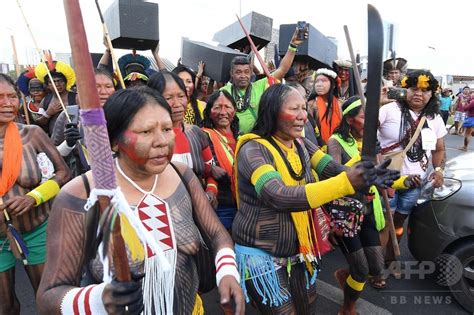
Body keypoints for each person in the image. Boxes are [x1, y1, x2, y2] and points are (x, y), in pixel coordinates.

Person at [37, 87, 244, 314]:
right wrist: (99, 299)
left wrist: (226, 271)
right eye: (146, 132)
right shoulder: (81, 194)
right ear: (114, 142)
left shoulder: (182, 174)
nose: (161, 141)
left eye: (167, 129)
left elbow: (217, 233)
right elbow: (49, 296)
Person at [232, 84, 399, 314]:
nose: (303, 116)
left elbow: (331, 168)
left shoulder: (301, 143)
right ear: (271, 112)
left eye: (304, 108)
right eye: (294, 109)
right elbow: (276, 195)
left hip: (300, 250)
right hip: (262, 255)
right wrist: (348, 182)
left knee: (307, 307)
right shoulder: (253, 150)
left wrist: (369, 175)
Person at [327, 96, 420, 314]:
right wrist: (363, 157)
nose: (370, 122)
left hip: (369, 209)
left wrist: (404, 181)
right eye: (363, 117)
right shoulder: (335, 142)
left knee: (376, 268)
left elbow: (381, 175)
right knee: (360, 270)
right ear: (349, 120)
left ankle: (344, 275)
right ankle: (347, 308)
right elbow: (334, 172)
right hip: (346, 212)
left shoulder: (373, 142)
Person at [0, 74, 71, 315]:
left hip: (37, 229)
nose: (7, 103)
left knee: (48, 301)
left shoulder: (32, 134)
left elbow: (63, 173)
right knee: (5, 306)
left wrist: (33, 197)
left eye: (12, 97)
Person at [378, 70, 446, 265]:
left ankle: (390, 260)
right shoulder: (389, 109)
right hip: (386, 179)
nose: (418, 93)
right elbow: (364, 129)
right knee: (384, 223)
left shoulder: (435, 118)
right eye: (414, 88)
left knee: (398, 223)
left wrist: (439, 170)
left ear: (432, 94)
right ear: (405, 89)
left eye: (425, 90)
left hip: (414, 183)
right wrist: (377, 103)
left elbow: (439, 149)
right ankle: (375, 268)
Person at [221, 27, 308, 134]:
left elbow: (282, 69)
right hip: (234, 141)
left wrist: (293, 45)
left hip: (258, 139)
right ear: (232, 74)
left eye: (246, 72)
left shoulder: (260, 86)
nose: (243, 75)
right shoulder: (224, 92)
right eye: (238, 72)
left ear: (251, 72)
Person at [51, 68, 116, 177]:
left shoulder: (124, 113)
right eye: (96, 87)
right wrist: (68, 144)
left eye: (108, 86)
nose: (103, 92)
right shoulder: (70, 115)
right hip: (83, 183)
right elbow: (52, 157)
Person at [201, 90, 239, 230]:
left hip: (244, 206)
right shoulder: (204, 135)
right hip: (222, 206)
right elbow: (210, 169)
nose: (223, 112)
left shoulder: (241, 139)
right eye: (217, 107)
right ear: (209, 112)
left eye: (227, 107)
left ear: (234, 111)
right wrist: (211, 191)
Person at [33, 56, 78, 137]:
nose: (57, 84)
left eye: (60, 81)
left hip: (76, 142)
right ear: (47, 85)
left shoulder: (76, 98)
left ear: (66, 82)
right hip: (55, 144)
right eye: (52, 82)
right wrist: (48, 113)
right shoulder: (45, 100)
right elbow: (38, 123)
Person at [311, 68, 342, 146]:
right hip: (318, 147)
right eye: (317, 81)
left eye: (323, 81)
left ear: (333, 85)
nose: (319, 84)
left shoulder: (340, 104)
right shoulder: (311, 105)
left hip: (339, 145)